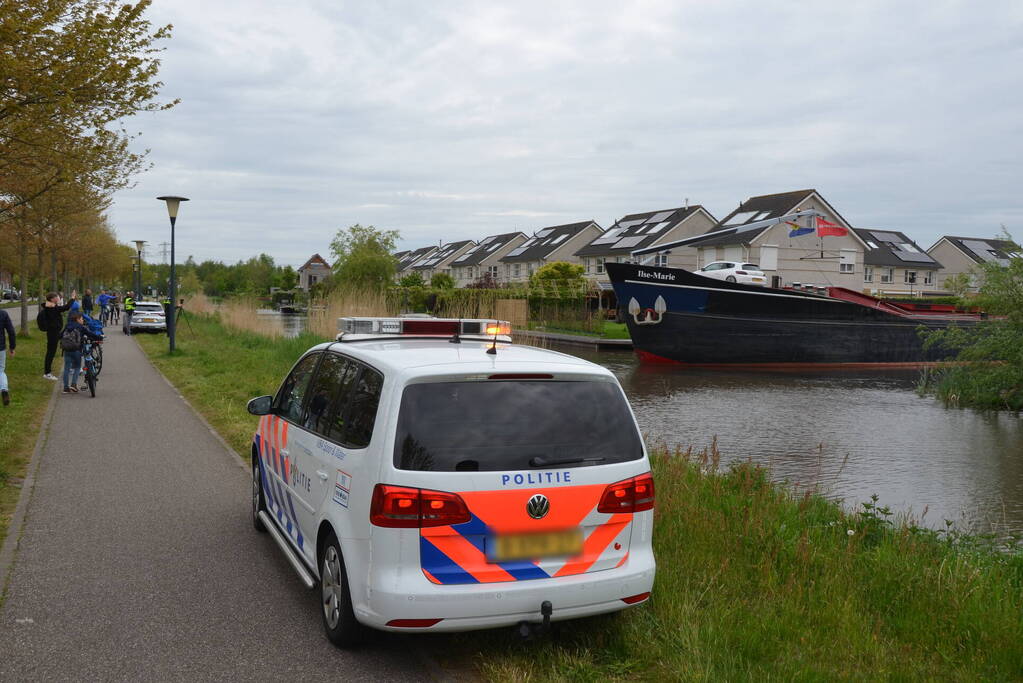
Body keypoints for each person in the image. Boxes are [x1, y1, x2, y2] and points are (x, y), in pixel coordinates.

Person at [61, 311, 103, 394]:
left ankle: (66, 388)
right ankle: (73, 385)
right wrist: (100, 338)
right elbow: (90, 334)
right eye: (81, 319)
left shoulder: (67, 326)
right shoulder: (81, 327)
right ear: (77, 319)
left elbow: (60, 335)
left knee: (66, 368)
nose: (83, 320)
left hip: (67, 350)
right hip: (77, 350)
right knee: (77, 367)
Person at [41, 290, 75, 380]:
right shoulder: (51, 308)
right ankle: (47, 373)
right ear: (52, 299)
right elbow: (66, 307)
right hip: (53, 333)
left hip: (55, 332)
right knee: (51, 352)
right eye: (57, 297)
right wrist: (72, 298)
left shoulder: (52, 307)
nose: (58, 298)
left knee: (67, 344)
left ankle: (70, 367)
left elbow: (63, 307)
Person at [0, 306, 15, 406]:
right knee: (1, 370)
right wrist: (12, 347)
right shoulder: (3, 314)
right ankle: (4, 390)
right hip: (0, 347)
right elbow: (11, 331)